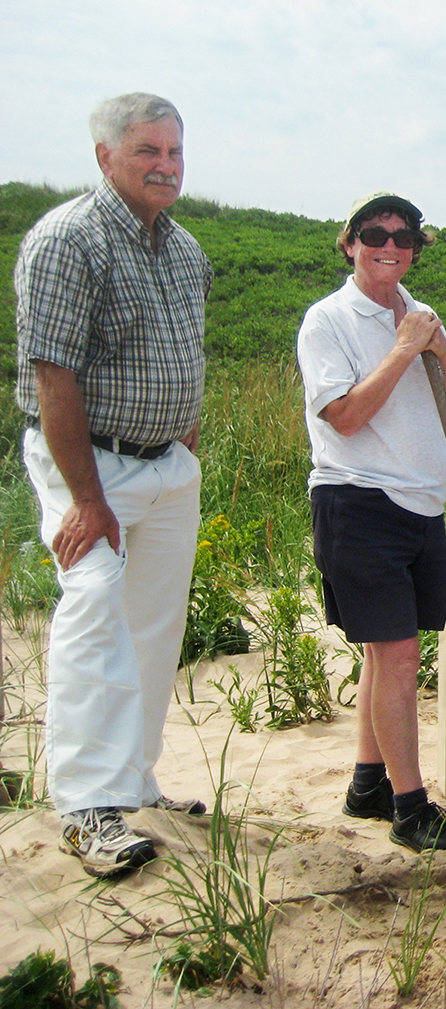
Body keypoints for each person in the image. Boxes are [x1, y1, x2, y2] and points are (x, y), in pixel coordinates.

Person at [14, 93, 211, 877]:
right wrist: (88, 499)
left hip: (166, 465)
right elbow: (52, 374)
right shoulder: (68, 239)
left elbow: (186, 351)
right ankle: (85, 807)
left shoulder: (186, 248)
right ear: (105, 157)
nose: (166, 166)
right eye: (147, 152)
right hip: (89, 466)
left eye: (174, 152)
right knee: (94, 605)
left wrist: (181, 435)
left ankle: (133, 781)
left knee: (155, 625)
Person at [297, 191, 446, 852]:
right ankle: (410, 808)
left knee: (389, 652)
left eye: (404, 237)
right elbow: (343, 416)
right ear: (350, 241)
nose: (390, 245)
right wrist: (404, 350)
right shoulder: (329, 322)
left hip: (422, 504)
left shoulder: (423, 318)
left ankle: (368, 783)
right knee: (399, 660)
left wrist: (442, 352)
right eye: (376, 233)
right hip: (358, 501)